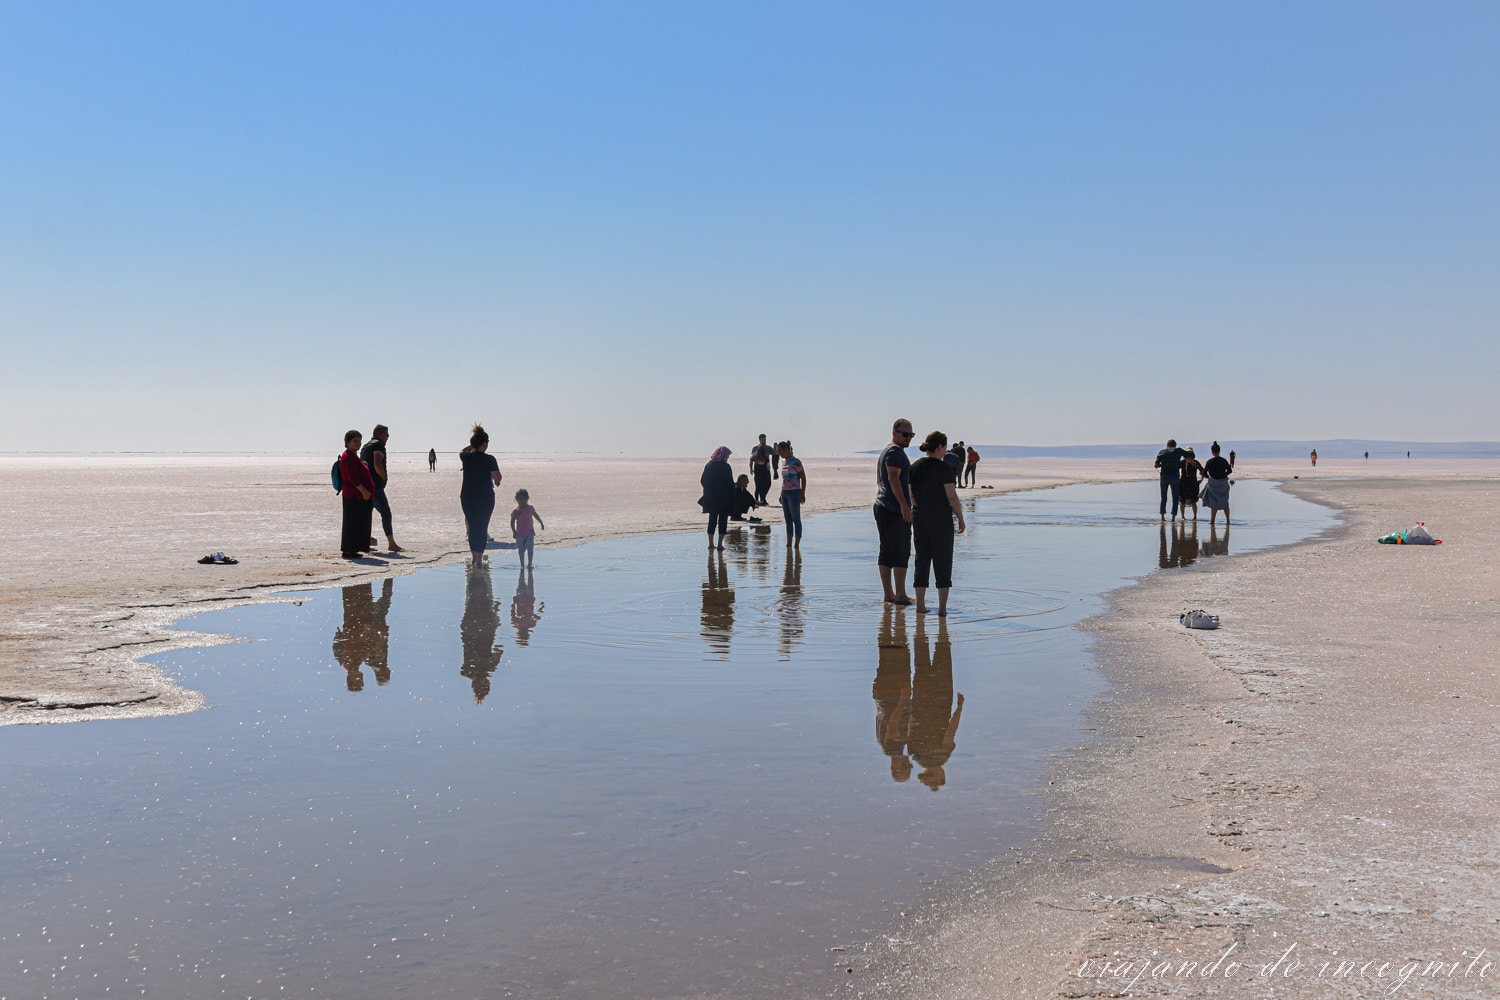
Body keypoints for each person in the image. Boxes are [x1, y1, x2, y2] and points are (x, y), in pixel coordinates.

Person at [909, 431, 966, 617]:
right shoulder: (944, 469)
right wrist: (960, 518)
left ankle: (920, 606)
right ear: (940, 447)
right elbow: (952, 497)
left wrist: (920, 509)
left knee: (922, 559)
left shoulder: (915, 467)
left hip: (920, 518)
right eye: (945, 447)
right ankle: (942, 608)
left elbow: (912, 495)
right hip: (941, 519)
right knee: (943, 561)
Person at [875, 418, 915, 605]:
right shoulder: (895, 452)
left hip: (883, 506)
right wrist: (904, 505)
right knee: (901, 550)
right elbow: (893, 477)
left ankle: (889, 594)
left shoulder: (888, 451)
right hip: (892, 508)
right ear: (894, 433)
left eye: (911, 435)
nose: (908, 438)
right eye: (905, 434)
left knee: (886, 550)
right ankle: (900, 595)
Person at [459, 424, 503, 567]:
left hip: (467, 496)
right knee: (482, 526)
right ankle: (479, 558)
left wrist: (473, 446)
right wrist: (497, 481)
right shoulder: (489, 459)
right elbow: (498, 478)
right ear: (484, 444)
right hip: (485, 497)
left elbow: (463, 451)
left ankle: (475, 558)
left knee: (472, 527)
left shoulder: (466, 457)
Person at [360, 424, 403, 553]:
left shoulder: (366, 446)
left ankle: (364, 542)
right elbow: (377, 463)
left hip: (366, 486)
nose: (388, 437)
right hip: (375, 487)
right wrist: (383, 477)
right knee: (386, 513)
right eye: (387, 435)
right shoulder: (378, 445)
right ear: (380, 434)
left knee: (366, 515)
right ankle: (392, 544)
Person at [338, 429, 376, 559]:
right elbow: (352, 478)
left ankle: (354, 549)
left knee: (358, 522)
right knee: (352, 523)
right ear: (348, 442)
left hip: (358, 495)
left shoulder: (353, 456)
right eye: (355, 441)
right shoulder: (348, 456)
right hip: (353, 495)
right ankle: (349, 551)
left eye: (360, 441)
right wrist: (364, 491)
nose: (358, 443)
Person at [699, 446, 736, 550]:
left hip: (712, 498)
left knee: (712, 520)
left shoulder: (709, 465)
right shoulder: (726, 467)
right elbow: (730, 484)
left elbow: (703, 481)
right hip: (724, 498)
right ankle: (720, 544)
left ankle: (710, 543)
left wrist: (709, 490)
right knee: (723, 521)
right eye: (727, 456)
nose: (728, 458)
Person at [777, 440, 806, 546]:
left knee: (795, 518)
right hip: (784, 493)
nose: (779, 454)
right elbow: (784, 480)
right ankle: (789, 543)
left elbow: (803, 477)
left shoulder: (796, 462)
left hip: (794, 493)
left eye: (780, 451)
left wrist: (802, 493)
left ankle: (797, 544)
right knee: (788, 519)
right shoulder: (783, 462)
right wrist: (781, 494)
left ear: (786, 449)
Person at [1202, 441, 1235, 527]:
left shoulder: (1210, 461)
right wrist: (1223, 474)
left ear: (1212, 451)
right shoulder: (1223, 460)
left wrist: (1209, 477)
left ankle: (1212, 521)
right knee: (1225, 502)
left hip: (1213, 483)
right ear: (1219, 451)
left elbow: (1204, 473)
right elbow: (1230, 470)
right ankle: (1228, 520)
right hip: (1223, 483)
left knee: (1214, 502)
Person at [510, 489, 544, 569]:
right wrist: (514, 531)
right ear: (517, 499)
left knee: (530, 549)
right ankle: (522, 564)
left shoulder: (530, 508)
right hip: (519, 534)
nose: (522, 501)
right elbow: (512, 522)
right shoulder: (516, 511)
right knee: (521, 550)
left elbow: (535, 515)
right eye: (520, 499)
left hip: (530, 533)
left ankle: (530, 563)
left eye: (524, 499)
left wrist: (541, 523)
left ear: (527, 498)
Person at [1154, 438, 1184, 522]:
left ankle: (1162, 517)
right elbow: (1189, 455)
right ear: (1175, 445)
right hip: (1174, 476)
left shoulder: (1162, 452)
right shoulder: (1178, 452)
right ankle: (1173, 517)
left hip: (1164, 476)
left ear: (1167, 445)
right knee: (1175, 498)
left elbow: (1156, 464)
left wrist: (1162, 465)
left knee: (1163, 497)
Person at [749, 434, 776, 505]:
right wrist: (751, 468)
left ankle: (763, 498)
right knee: (758, 485)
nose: (764, 441)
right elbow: (751, 459)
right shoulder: (755, 448)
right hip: (758, 468)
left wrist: (776, 448)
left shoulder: (768, 448)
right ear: (759, 440)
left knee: (767, 483)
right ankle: (758, 500)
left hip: (765, 468)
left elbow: (774, 453)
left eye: (765, 439)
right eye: (763, 440)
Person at [1178, 446, 1203, 522]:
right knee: (1182, 501)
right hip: (1183, 483)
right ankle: (1183, 516)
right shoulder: (1183, 462)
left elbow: (1202, 471)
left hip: (1193, 483)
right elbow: (1175, 469)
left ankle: (1195, 516)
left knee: (1193, 501)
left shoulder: (1195, 462)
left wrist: (1201, 480)